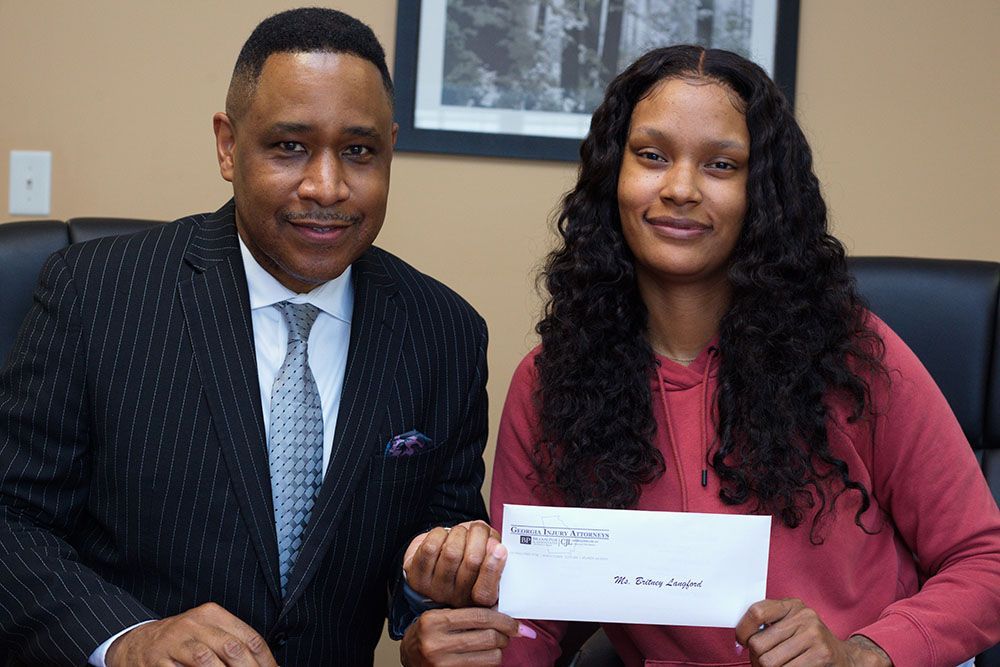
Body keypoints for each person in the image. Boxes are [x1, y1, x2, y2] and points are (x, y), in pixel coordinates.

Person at [409, 45, 1000, 665]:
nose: (681, 188)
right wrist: (468, 651)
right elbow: (536, 618)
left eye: (721, 164)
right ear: (614, 174)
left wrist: (862, 654)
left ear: (762, 192)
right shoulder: (552, 379)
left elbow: (984, 564)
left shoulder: (851, 355)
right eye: (652, 156)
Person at [0, 8, 506, 666]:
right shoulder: (95, 291)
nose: (325, 186)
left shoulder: (445, 333)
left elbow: (428, 556)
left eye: (359, 151)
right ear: (226, 146)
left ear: (390, 148)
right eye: (289, 146)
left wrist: (428, 601)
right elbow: (12, 520)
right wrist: (127, 638)